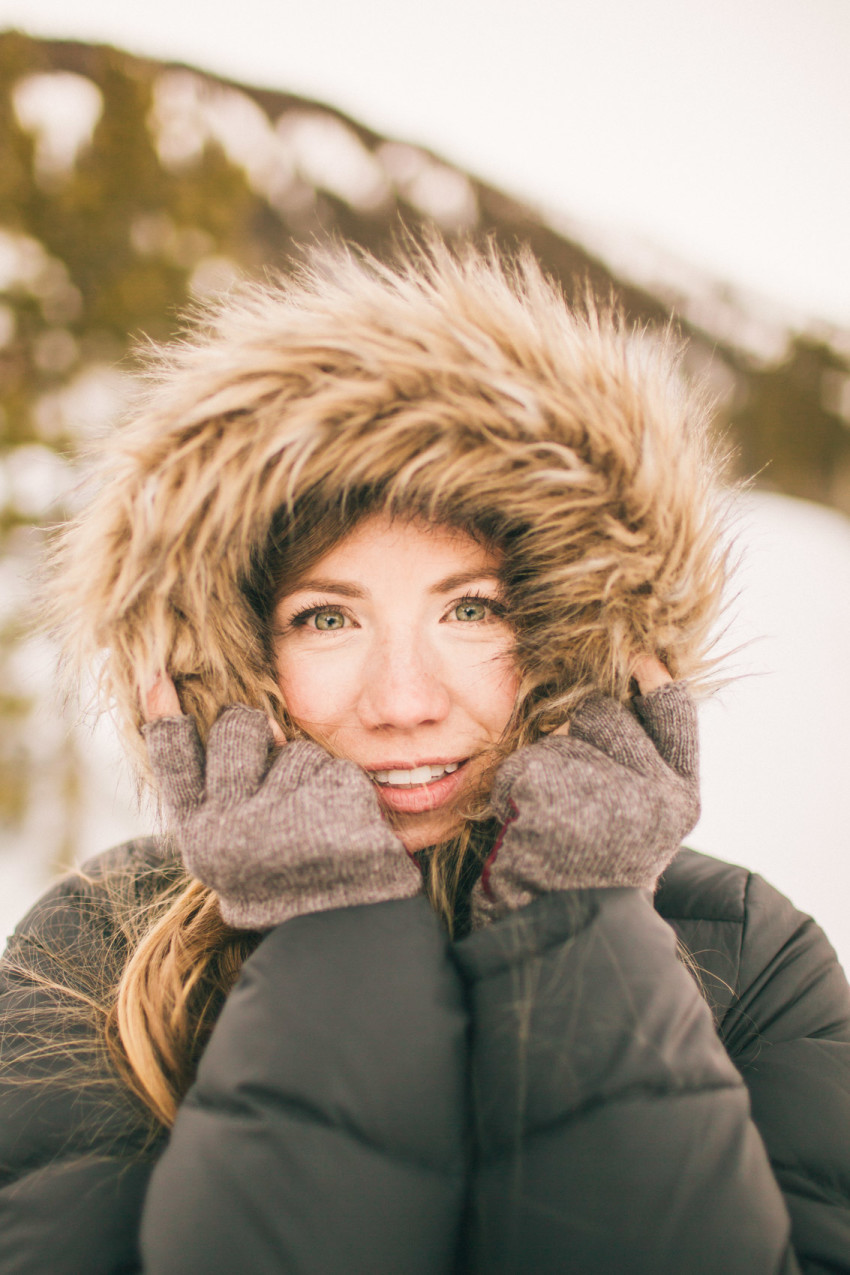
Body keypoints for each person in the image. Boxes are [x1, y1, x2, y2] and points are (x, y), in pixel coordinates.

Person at [1, 241, 848, 1275]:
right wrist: (331, 928)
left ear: (583, 630)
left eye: (471, 608)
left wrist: (578, 924)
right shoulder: (98, 951)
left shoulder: (752, 960)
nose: (403, 701)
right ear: (225, 651)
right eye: (324, 618)